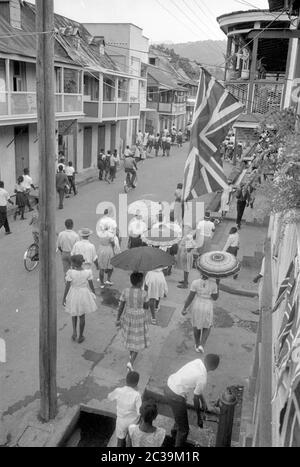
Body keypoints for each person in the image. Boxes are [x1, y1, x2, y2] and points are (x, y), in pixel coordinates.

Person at [164, 355, 220, 447]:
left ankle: (174, 435)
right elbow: (195, 399)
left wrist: (204, 401)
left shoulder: (197, 361)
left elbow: (196, 385)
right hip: (175, 396)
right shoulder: (203, 378)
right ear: (214, 368)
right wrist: (199, 418)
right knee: (184, 430)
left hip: (168, 386)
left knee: (180, 414)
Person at [116, 272, 155, 372]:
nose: (143, 282)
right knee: (138, 340)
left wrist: (118, 318)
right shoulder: (144, 293)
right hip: (139, 318)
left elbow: (121, 306)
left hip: (128, 316)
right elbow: (146, 307)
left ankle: (130, 355)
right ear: (139, 283)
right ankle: (131, 362)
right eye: (142, 281)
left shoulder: (125, 291)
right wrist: (147, 295)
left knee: (131, 337)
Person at [63, 254, 97, 343]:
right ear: (81, 263)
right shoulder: (88, 272)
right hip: (83, 294)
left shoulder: (70, 272)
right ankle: (80, 336)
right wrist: (93, 293)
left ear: (74, 263)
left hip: (73, 293)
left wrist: (64, 298)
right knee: (82, 316)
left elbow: (67, 286)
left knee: (73, 313)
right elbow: (91, 284)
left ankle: (74, 332)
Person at [182, 273, 220, 353]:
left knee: (196, 325)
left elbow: (190, 297)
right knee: (207, 325)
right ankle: (202, 345)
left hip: (197, 305)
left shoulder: (195, 282)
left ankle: (197, 344)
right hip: (207, 306)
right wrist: (218, 283)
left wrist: (184, 308)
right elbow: (215, 298)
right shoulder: (214, 284)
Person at [108, 371, 142, 448]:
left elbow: (109, 397)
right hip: (133, 422)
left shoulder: (118, 390)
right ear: (137, 383)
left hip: (121, 421)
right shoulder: (137, 395)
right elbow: (139, 412)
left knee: (120, 441)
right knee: (130, 442)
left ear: (126, 380)